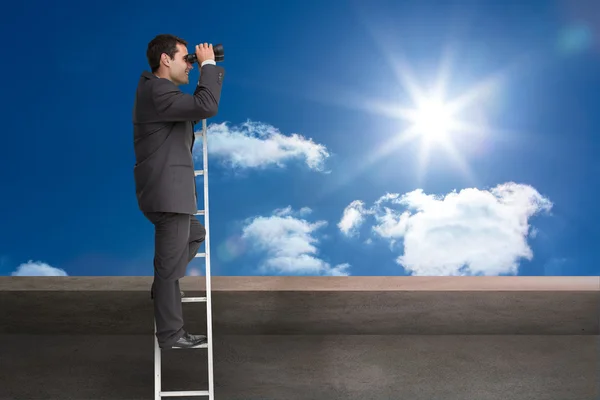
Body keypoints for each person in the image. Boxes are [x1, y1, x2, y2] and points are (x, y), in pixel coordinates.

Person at [132, 34, 225, 349]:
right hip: (167, 195)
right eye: (185, 58)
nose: (189, 64)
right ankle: (171, 334)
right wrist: (208, 64)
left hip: (171, 194)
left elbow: (196, 109)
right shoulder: (158, 90)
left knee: (195, 234)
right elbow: (206, 105)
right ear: (165, 60)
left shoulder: (159, 93)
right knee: (169, 267)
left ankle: (164, 287)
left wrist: (204, 67)